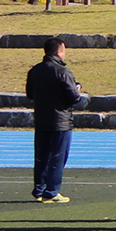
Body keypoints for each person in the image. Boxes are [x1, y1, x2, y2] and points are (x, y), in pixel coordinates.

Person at [23, 38, 82, 203]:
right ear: (59, 52)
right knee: (57, 157)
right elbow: (74, 97)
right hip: (60, 121)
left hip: (41, 118)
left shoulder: (34, 71)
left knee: (41, 156)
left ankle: (39, 189)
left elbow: (29, 94)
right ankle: (52, 191)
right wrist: (77, 89)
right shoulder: (63, 71)